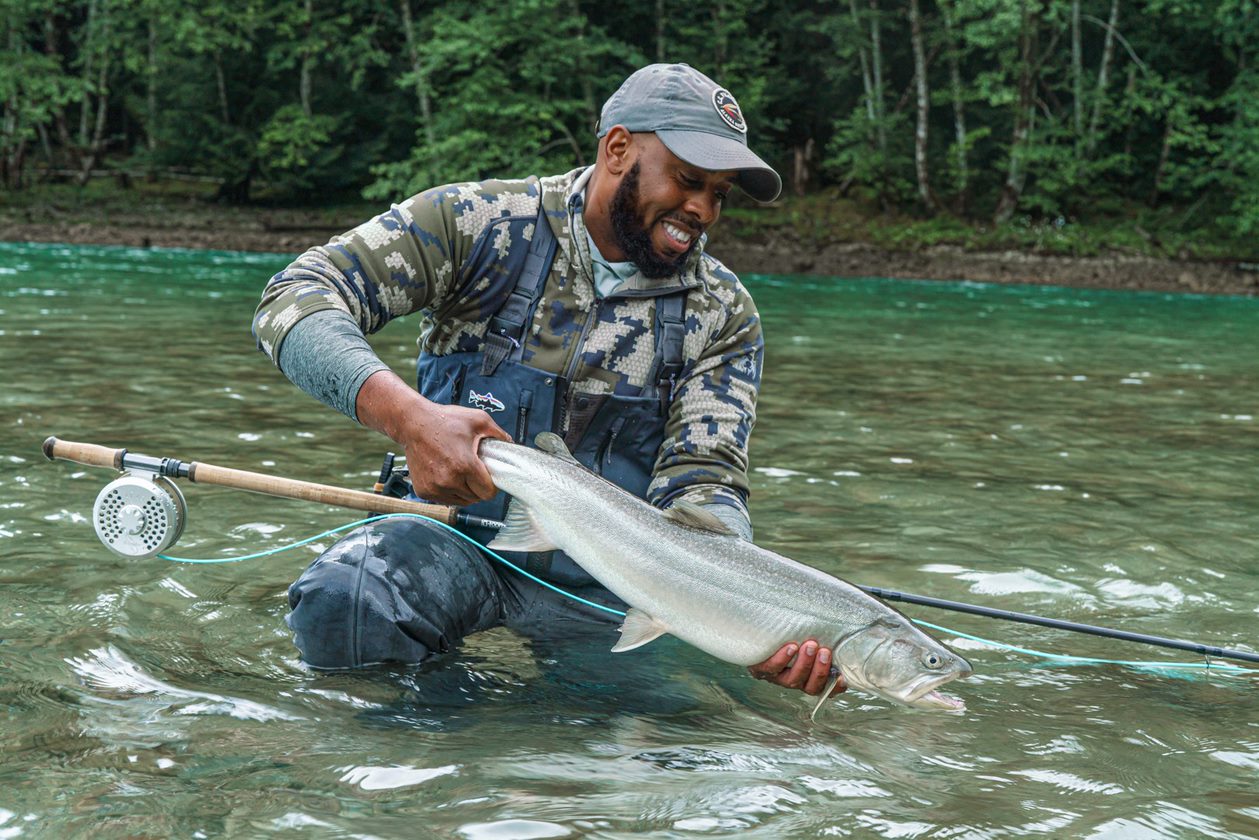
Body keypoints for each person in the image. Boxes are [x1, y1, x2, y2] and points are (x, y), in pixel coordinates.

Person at [252, 63, 845, 701]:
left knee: (668, 746)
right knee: (348, 601)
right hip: (453, 536)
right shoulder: (477, 223)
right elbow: (293, 300)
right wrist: (409, 419)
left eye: (720, 193)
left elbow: (705, 485)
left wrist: (748, 619)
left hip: (614, 585)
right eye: (688, 180)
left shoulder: (723, 314)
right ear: (618, 148)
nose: (703, 209)